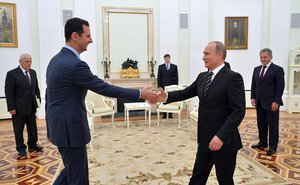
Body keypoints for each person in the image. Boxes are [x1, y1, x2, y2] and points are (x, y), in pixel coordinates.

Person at [45, 17, 158, 185]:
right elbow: (105, 88)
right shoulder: (75, 65)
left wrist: (50, 127)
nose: (91, 40)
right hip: (70, 129)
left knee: (70, 172)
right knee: (78, 178)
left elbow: (49, 97)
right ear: (75, 36)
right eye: (88, 35)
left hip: (59, 127)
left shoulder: (55, 60)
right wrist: (140, 93)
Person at [158, 41, 245, 185]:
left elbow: (238, 111)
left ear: (219, 55)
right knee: (197, 179)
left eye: (206, 54)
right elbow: (185, 92)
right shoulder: (202, 77)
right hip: (205, 139)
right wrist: (166, 96)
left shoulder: (233, 77)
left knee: (225, 180)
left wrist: (220, 137)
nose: (203, 57)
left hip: (224, 143)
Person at [5, 54, 43, 157]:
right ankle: (21, 148)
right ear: (20, 62)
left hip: (31, 107)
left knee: (32, 127)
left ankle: (32, 144)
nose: (29, 63)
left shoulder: (33, 72)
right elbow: (9, 92)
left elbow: (36, 88)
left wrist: (38, 100)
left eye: (30, 61)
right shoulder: (12, 74)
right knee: (18, 129)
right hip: (18, 108)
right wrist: (11, 107)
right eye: (27, 61)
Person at [250, 48, 285, 156]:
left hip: (272, 104)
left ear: (270, 57)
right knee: (261, 124)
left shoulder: (277, 69)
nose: (263, 59)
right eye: (261, 57)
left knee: (273, 126)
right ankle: (263, 143)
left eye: (265, 57)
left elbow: (280, 87)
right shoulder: (256, 69)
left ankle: (273, 147)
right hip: (259, 102)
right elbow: (254, 85)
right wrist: (253, 97)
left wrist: (276, 101)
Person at [157, 54, 178, 118]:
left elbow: (176, 77)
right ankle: (164, 114)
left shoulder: (174, 67)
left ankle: (170, 114)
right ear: (164, 59)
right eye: (166, 58)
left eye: (168, 58)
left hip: (172, 86)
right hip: (163, 86)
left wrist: (176, 86)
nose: (167, 59)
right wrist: (159, 86)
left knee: (170, 98)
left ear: (170, 58)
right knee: (163, 99)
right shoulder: (161, 67)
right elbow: (159, 77)